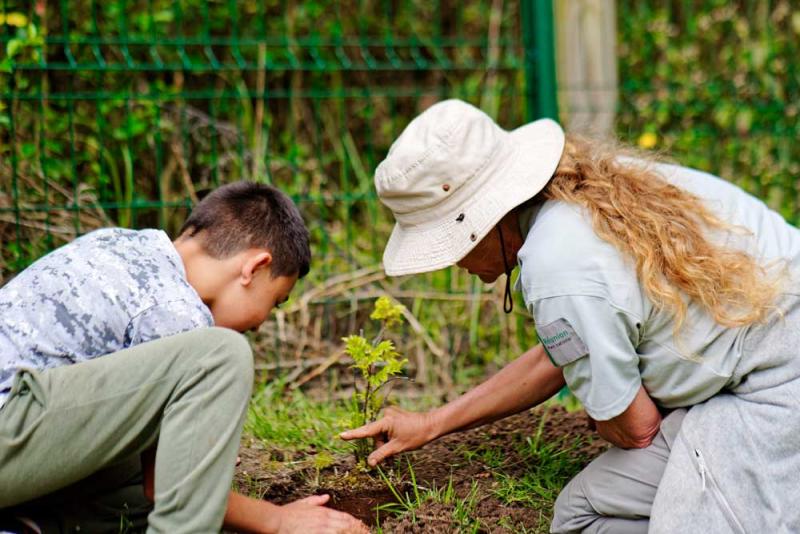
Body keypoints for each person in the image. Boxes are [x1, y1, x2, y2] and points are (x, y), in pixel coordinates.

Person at [341, 99, 800, 533]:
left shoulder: (558, 264)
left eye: (447, 242)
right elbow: (562, 353)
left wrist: (607, 405)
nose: (453, 262)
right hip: (779, 343)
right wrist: (433, 423)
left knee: (580, 515)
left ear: (480, 219)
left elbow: (635, 429)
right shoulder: (602, 191)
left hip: (776, 394)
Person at [0, 181, 367, 534]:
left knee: (137, 464)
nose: (260, 324)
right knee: (221, 354)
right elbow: (160, 486)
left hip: (19, 435)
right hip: (10, 428)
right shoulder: (176, 309)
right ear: (254, 268)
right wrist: (278, 521)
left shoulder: (119, 245)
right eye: (274, 301)